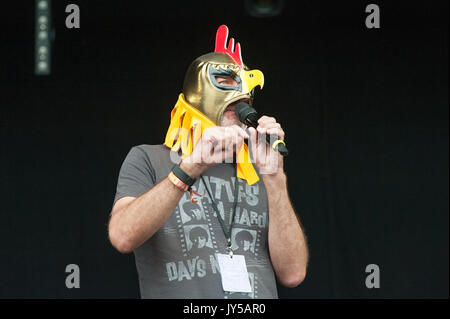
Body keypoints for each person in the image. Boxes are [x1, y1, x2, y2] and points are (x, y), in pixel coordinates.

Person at [108, 25, 309, 299]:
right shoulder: (148, 158)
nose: (241, 94)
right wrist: (190, 167)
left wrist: (275, 179)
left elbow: (293, 273)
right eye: (225, 81)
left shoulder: (257, 168)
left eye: (245, 88)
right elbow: (122, 236)